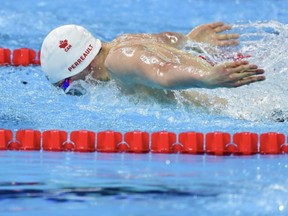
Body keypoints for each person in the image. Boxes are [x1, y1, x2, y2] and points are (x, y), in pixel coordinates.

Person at [40, 22, 265, 97]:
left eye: (68, 84)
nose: (72, 90)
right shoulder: (124, 41)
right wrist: (189, 39)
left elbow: (163, 72)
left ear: (85, 66)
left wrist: (207, 78)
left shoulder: (119, 61)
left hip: (229, 100)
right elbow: (165, 39)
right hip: (238, 90)